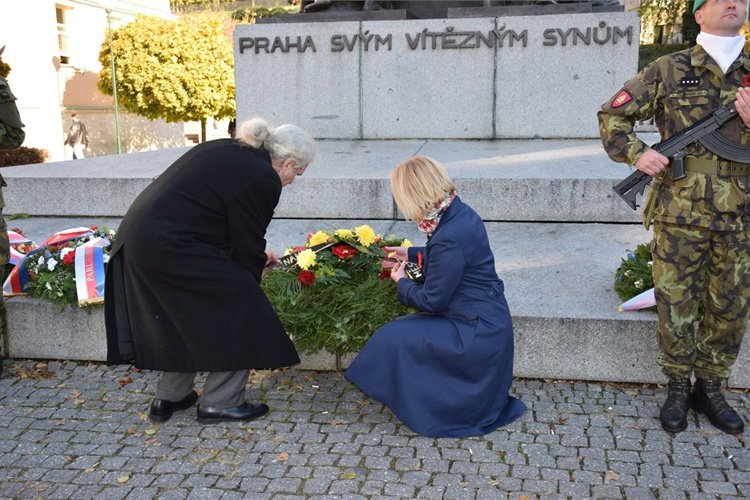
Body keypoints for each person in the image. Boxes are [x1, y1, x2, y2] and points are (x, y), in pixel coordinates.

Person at [598, 0, 749, 435]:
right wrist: (637, 154)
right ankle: (679, 386)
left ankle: (713, 387)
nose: (734, 2)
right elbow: (613, 115)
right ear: (698, 14)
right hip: (680, 213)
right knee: (676, 303)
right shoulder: (667, 69)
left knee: (732, 306)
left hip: (742, 214)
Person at [105, 116, 316, 424]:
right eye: (298, 172)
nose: (293, 180)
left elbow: (214, 218)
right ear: (286, 163)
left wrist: (255, 257)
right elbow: (246, 242)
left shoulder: (231, 150)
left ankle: (170, 397)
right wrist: (252, 273)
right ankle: (220, 402)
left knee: (184, 313)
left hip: (142, 240)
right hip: (171, 245)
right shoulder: (263, 177)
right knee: (241, 307)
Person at [345, 155, 526, 438]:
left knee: (394, 336)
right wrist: (415, 253)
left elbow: (432, 301)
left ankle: (435, 408)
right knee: (403, 333)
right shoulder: (459, 211)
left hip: (474, 331)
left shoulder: (448, 233)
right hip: (484, 319)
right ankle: (425, 398)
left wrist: (401, 281)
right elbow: (454, 255)